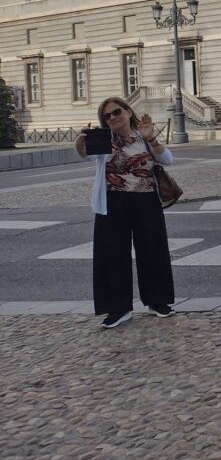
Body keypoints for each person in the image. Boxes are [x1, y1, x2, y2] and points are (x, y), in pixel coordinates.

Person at [75, 96, 177, 329]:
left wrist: (151, 137)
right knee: (112, 255)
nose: (112, 117)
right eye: (107, 116)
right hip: (112, 201)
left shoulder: (144, 136)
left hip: (146, 199)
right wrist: (80, 142)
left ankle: (157, 302)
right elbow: (86, 155)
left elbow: (168, 159)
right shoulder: (104, 138)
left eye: (116, 112)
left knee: (153, 250)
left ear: (128, 112)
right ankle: (118, 309)